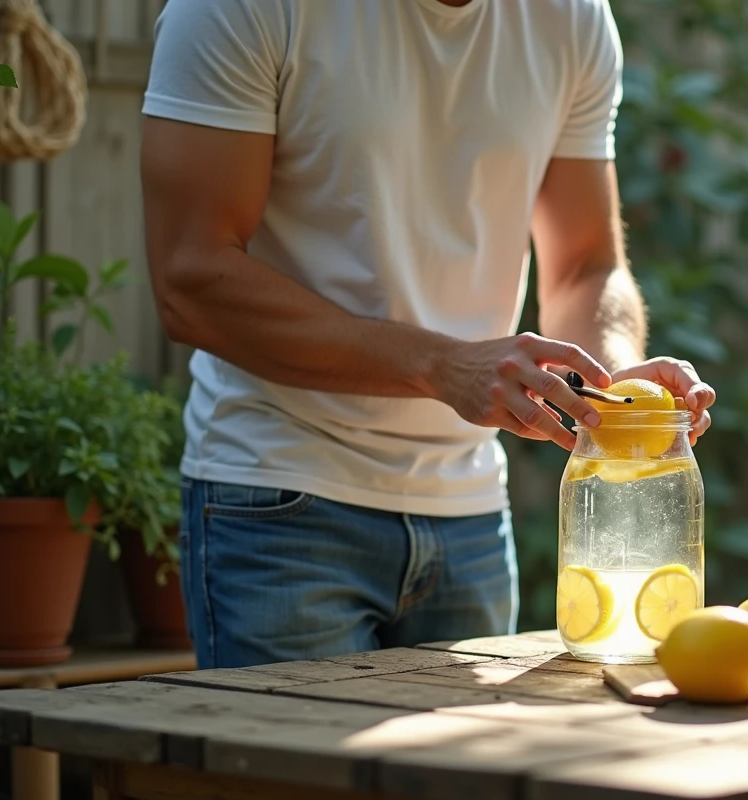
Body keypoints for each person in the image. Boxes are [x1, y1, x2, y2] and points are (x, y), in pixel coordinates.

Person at [139, 0, 716, 670]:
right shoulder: (242, 8)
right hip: (279, 501)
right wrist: (441, 367)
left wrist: (615, 384)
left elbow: (586, 264)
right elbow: (192, 279)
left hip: (468, 514)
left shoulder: (573, 17)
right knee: (297, 780)